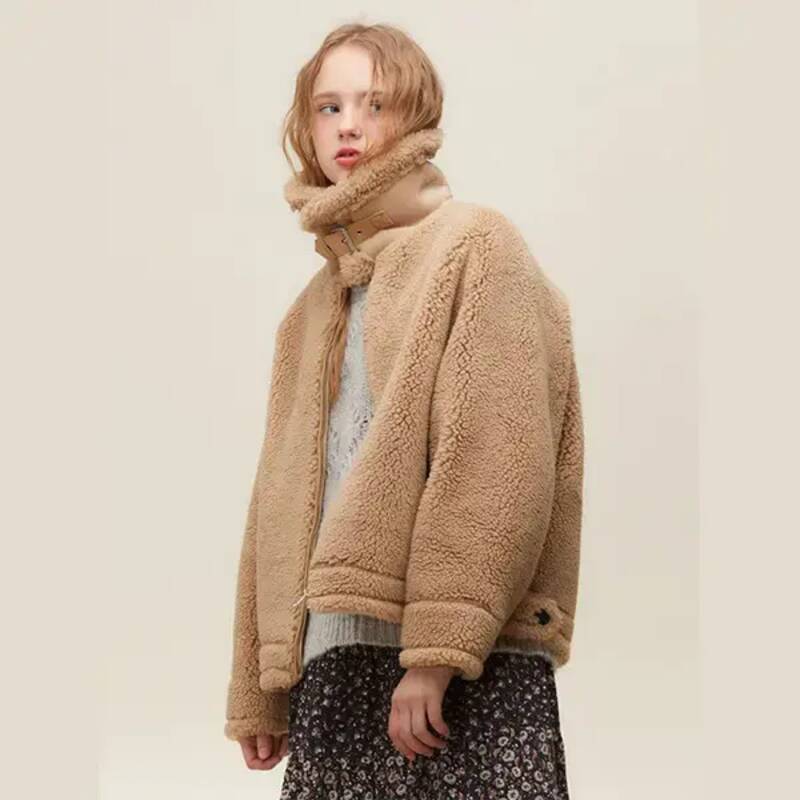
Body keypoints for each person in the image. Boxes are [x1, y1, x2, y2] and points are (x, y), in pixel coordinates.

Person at [224, 21, 584, 799]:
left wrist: (435, 655)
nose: (348, 125)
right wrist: (261, 683)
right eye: (329, 107)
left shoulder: (475, 245)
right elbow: (279, 498)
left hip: (465, 655)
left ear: (417, 116)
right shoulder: (311, 310)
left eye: (375, 103)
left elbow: (497, 462)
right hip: (334, 659)